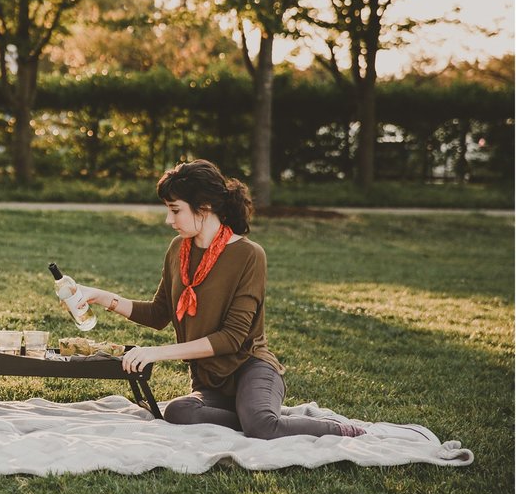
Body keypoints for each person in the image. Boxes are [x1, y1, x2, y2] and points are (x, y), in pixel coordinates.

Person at [75, 159, 367, 440]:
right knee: (178, 411)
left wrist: (156, 352)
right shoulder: (178, 249)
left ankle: (338, 429)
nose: (169, 220)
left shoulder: (249, 254)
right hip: (209, 380)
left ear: (204, 208)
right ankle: (250, 415)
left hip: (251, 367)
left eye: (175, 210)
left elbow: (232, 339)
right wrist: (99, 296)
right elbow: (158, 313)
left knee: (262, 426)